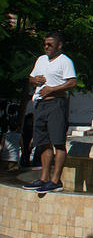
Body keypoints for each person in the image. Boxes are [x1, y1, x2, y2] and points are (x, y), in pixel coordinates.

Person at [23, 32, 77, 193]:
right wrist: (35, 80)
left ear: (59, 45)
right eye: (45, 44)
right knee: (43, 142)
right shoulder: (40, 60)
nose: (46, 47)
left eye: (50, 45)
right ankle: (44, 178)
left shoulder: (65, 61)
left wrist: (53, 89)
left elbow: (72, 82)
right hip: (40, 104)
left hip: (56, 103)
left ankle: (55, 180)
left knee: (58, 142)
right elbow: (30, 77)